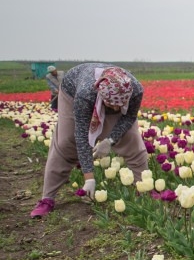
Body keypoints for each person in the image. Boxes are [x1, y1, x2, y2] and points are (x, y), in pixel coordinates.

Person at [30, 63, 148, 218]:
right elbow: (81, 135)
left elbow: (129, 117)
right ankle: (47, 198)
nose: (116, 109)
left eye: (120, 105)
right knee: (66, 141)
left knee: (131, 139)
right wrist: (89, 178)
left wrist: (109, 140)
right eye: (111, 104)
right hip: (72, 93)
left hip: (110, 94)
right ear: (101, 95)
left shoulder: (135, 90)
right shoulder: (86, 95)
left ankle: (144, 190)